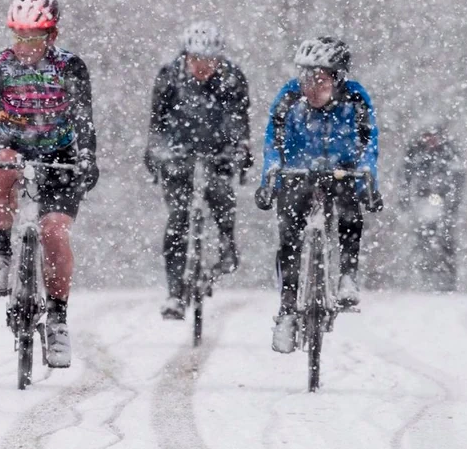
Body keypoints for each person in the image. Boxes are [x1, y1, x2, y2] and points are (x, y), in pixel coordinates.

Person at [0, 0, 98, 369]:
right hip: (13, 146)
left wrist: (88, 157)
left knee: (54, 231)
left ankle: (57, 320)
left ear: (52, 36)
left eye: (33, 38)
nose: (24, 46)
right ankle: (0, 252)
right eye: (18, 36)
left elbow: (84, 118)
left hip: (60, 155)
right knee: (3, 163)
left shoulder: (70, 67)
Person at [253, 36, 382, 354]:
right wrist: (270, 177)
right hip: (298, 172)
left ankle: (347, 277)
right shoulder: (288, 97)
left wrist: (367, 182)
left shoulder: (355, 99)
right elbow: (272, 140)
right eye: (305, 77)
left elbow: (369, 143)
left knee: (350, 211)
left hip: (340, 170)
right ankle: (287, 311)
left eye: (320, 79)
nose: (311, 86)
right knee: (289, 236)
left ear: (338, 79)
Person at [145, 21, 253, 320]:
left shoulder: (232, 78)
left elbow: (239, 120)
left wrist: (239, 150)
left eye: (209, 60)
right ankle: (175, 293)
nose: (203, 67)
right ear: (185, 56)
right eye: (196, 60)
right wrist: (156, 153)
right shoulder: (169, 76)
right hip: (178, 153)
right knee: (178, 218)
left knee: (221, 196)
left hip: (217, 151)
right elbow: (157, 123)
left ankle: (227, 245)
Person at [400, 117, 465, 291]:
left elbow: (458, 176)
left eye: (434, 136)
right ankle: (422, 273)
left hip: (444, 198)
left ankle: (449, 276)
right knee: (422, 234)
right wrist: (404, 196)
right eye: (427, 136)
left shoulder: (449, 152)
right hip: (423, 197)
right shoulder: (415, 151)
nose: (431, 140)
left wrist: (453, 200)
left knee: (447, 236)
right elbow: (405, 174)